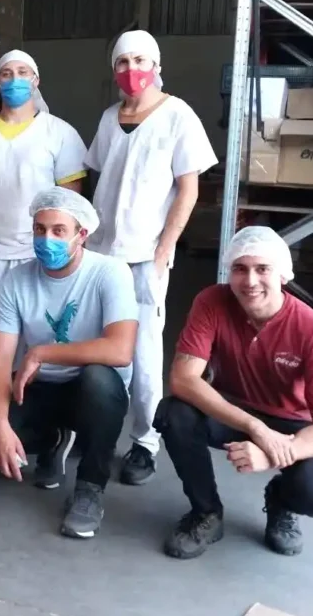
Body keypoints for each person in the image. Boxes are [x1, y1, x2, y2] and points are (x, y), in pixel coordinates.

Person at [85, 29, 217, 488]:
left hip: (145, 258)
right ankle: (98, 431)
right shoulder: (109, 118)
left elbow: (189, 189)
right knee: (100, 350)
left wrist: (165, 249)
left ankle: (144, 442)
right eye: (123, 62)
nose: (131, 70)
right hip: (101, 254)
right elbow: (102, 179)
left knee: (143, 358)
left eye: (140, 60)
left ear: (156, 65)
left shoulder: (178, 115)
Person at [0, 188, 138, 540]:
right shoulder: (17, 280)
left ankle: (90, 489)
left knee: (99, 381)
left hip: (91, 391)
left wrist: (42, 353)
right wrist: (0, 424)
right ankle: (53, 441)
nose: (47, 239)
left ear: (82, 234)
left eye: (59, 231)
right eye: (40, 229)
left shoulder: (110, 273)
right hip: (42, 386)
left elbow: (120, 349)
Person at [157, 227, 313, 561]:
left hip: (291, 424)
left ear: (282, 275)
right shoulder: (212, 301)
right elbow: (183, 379)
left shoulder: (312, 329)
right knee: (175, 413)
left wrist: (275, 452)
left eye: (262, 269)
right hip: (233, 412)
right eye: (240, 268)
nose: (250, 281)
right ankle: (206, 512)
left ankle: (281, 501)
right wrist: (255, 428)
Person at [0, 49, 87, 410]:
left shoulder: (60, 133)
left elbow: (69, 201)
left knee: (27, 342)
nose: (15, 80)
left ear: (36, 81)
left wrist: (65, 251)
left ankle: (25, 415)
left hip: (30, 256)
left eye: (23, 72)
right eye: (7, 73)